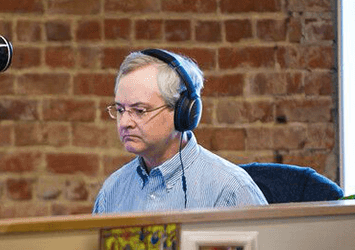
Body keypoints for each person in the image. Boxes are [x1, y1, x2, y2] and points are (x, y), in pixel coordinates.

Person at [93, 49, 267, 213]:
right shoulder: (112, 191)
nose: (124, 123)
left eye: (140, 111)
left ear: (182, 112)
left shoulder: (231, 189)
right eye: (120, 110)